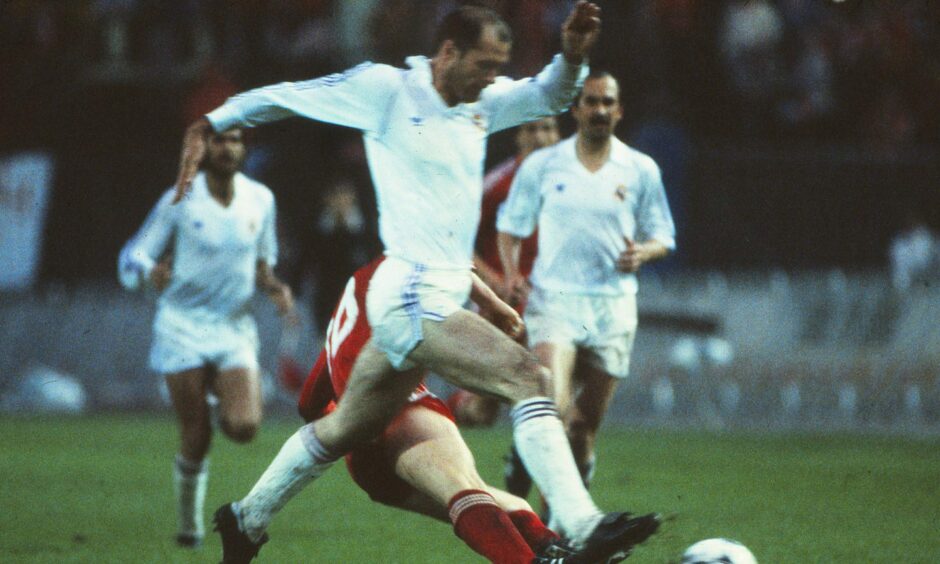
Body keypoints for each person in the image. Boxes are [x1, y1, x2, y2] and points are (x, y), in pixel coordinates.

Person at [175, 4, 660, 562]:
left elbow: (549, 94)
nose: (490, 78)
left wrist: (572, 56)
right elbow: (289, 94)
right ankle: (580, 522)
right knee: (529, 376)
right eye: (482, 65)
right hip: (405, 293)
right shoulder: (386, 91)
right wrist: (213, 121)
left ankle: (246, 518)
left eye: (498, 66)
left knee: (344, 428)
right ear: (448, 52)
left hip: (436, 295)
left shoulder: (482, 102)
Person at [286, 255, 582, 563]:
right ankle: (557, 549)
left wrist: (344, 426)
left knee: (481, 498)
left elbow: (308, 403)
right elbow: (453, 273)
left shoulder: (353, 297)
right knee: (464, 488)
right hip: (403, 412)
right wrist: (493, 303)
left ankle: (553, 546)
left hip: (363, 463)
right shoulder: (406, 276)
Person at [496, 71, 676, 516]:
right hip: (554, 301)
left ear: (619, 110)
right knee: (552, 413)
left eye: (606, 102)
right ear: (575, 110)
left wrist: (643, 253)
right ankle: (556, 532)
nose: (598, 110)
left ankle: (561, 497)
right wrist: (512, 271)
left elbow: (664, 236)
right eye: (590, 101)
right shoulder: (543, 165)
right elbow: (510, 226)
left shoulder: (640, 169)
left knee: (582, 429)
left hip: (613, 306)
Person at [118, 128, 296, 547]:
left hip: (233, 327)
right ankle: (189, 526)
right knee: (196, 432)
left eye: (235, 140)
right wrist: (149, 272)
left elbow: (262, 262)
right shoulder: (180, 198)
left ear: (243, 148)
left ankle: (216, 391)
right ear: (204, 149)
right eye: (219, 141)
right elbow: (134, 253)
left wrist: (274, 287)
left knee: (245, 426)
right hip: (182, 324)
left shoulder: (261, 199)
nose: (227, 148)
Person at [450, 116, 562, 429]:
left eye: (547, 128)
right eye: (531, 129)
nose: (540, 137)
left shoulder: (570, 184)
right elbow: (458, 239)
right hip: (503, 302)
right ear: (518, 136)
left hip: (552, 300)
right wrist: (493, 281)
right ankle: (454, 414)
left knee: (550, 389)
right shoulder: (496, 184)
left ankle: (528, 458)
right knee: (483, 408)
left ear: (558, 135)